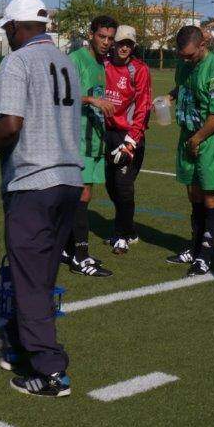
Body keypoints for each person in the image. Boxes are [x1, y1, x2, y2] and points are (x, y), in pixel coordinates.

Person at [0, 0, 82, 398]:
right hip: (69, 179)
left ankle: (51, 371)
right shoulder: (67, 61)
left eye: (7, 30)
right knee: (37, 275)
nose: (7, 37)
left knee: (30, 279)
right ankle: (19, 344)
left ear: (17, 27)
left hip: (34, 181)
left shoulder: (17, 61)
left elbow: (11, 124)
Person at [166, 25, 214, 276]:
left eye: (190, 55)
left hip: (210, 141)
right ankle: (194, 247)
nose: (185, 59)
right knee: (193, 194)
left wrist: (198, 139)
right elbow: (182, 86)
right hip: (188, 137)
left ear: (203, 45)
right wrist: (170, 97)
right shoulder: (184, 64)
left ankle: (205, 254)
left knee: (210, 197)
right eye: (181, 55)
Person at [61, 15, 115, 276]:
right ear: (91, 34)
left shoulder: (100, 64)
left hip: (94, 141)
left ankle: (68, 248)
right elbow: (61, 96)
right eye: (101, 36)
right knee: (80, 196)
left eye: (110, 38)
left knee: (84, 196)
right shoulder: (76, 60)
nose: (106, 42)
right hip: (77, 139)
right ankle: (80, 256)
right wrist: (92, 101)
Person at [103, 25, 153, 255]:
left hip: (130, 136)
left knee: (123, 187)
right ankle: (130, 229)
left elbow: (143, 106)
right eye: (121, 42)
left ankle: (121, 235)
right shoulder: (104, 64)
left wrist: (132, 140)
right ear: (114, 43)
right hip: (110, 134)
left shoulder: (139, 69)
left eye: (129, 44)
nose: (124, 47)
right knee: (111, 186)